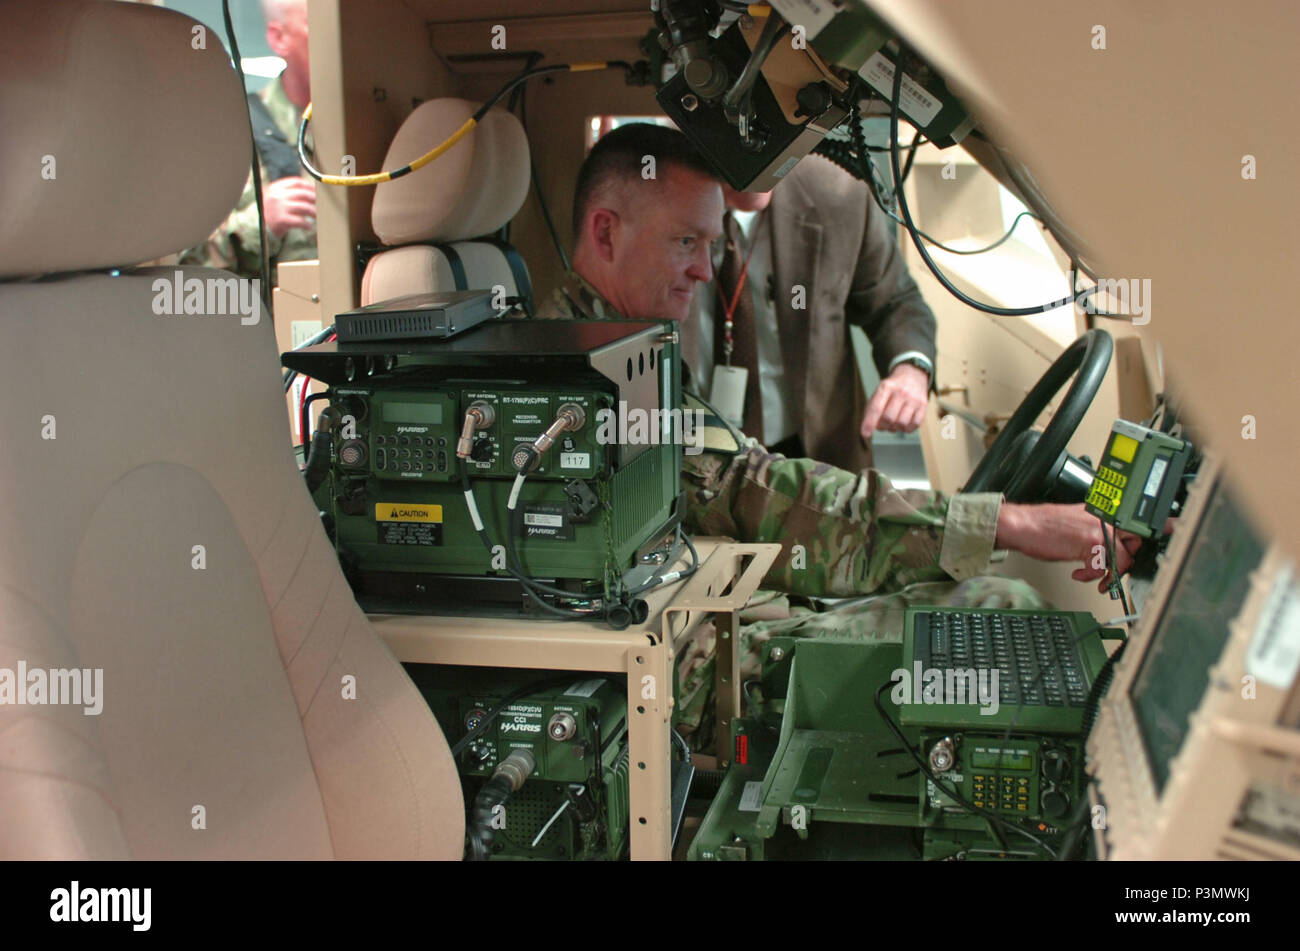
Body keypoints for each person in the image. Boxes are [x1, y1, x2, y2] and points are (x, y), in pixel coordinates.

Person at [536, 123, 1137, 745]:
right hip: (685, 653)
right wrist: (1013, 526)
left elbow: (892, 307)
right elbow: (749, 490)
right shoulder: (585, 377)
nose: (702, 269)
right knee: (998, 610)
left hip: (715, 588)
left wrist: (915, 381)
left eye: (709, 244)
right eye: (685, 241)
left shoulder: (624, 343)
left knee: (964, 597)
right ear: (607, 231)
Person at [683, 156, 934, 470]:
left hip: (815, 452)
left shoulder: (840, 190)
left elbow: (895, 302)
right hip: (690, 453)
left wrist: (910, 371)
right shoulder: (649, 191)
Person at [180, 0, 317, 281]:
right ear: (280, 38)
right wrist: (259, 223)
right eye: (315, 25)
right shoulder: (235, 134)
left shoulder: (368, 122)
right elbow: (189, 269)